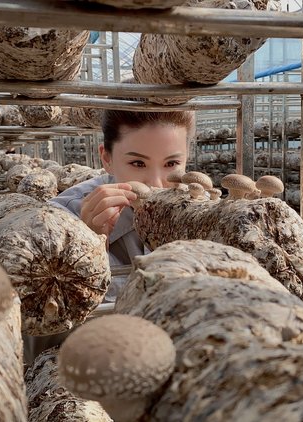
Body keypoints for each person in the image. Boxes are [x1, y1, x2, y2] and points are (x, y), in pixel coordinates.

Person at [23, 108, 195, 366]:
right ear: (107, 158)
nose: (156, 184)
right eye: (138, 163)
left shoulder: (196, 210)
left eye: (171, 164)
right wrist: (84, 252)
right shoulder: (59, 220)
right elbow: (36, 345)